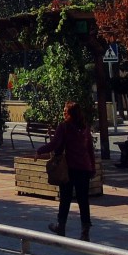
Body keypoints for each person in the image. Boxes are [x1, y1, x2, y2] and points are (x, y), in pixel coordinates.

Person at [35, 101, 96, 241]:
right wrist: (92, 167)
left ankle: (61, 226)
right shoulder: (84, 128)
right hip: (84, 168)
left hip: (69, 168)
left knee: (65, 198)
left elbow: (55, 144)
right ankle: (85, 229)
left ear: (70, 113)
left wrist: (40, 151)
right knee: (83, 200)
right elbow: (89, 150)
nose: (63, 113)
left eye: (65, 111)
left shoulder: (64, 127)